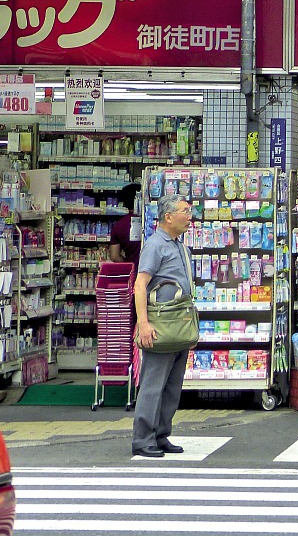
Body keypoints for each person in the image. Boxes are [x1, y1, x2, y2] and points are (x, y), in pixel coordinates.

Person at [131, 195, 195, 457]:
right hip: (160, 324)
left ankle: (161, 434)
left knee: (172, 386)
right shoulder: (155, 245)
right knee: (153, 384)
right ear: (168, 217)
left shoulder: (179, 245)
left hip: (178, 323)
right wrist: (143, 324)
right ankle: (142, 439)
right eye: (185, 211)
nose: (190, 216)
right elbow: (139, 285)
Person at [108, 182, 143, 267]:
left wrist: (129, 262)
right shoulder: (150, 221)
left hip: (132, 271)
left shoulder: (119, 226)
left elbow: (114, 256)